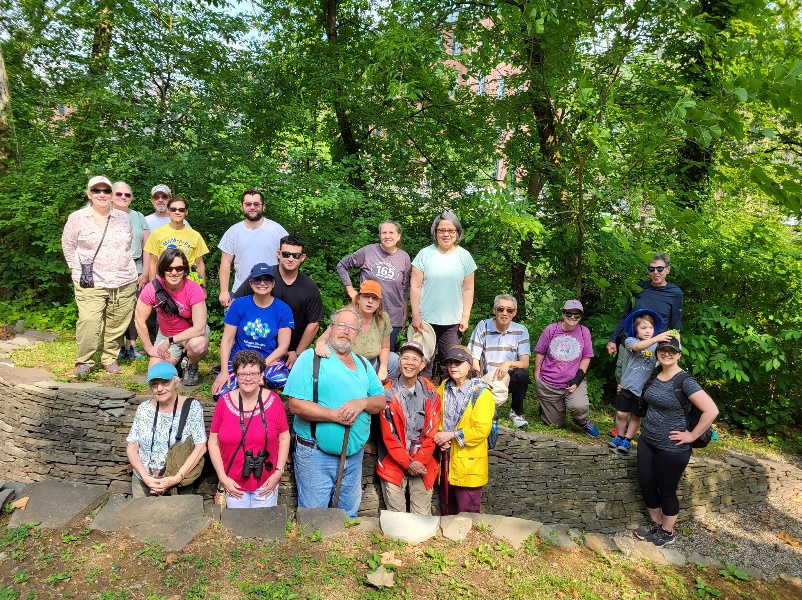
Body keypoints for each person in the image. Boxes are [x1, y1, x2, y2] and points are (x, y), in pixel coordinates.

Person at [285, 307, 385, 518]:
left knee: (348, 517)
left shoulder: (364, 364)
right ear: (330, 329)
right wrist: (334, 416)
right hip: (315, 455)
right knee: (314, 519)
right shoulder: (311, 359)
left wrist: (362, 403)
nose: (346, 331)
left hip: (353, 456)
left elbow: (380, 400)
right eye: (341, 325)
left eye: (352, 328)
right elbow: (295, 405)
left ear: (357, 334)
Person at [634, 336, 718, 547]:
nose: (667, 353)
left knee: (667, 489)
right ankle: (655, 524)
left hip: (672, 448)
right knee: (647, 484)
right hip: (648, 440)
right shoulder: (655, 374)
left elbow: (711, 410)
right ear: (657, 354)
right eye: (662, 350)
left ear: (679, 355)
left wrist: (691, 435)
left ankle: (667, 530)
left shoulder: (684, 382)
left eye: (672, 351)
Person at [61, 176, 138, 377]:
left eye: (106, 191)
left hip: (124, 279)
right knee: (89, 320)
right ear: (89, 194)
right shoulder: (77, 217)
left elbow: (126, 244)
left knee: (117, 321)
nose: (102, 194)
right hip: (91, 280)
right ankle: (84, 361)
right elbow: (68, 246)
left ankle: (109, 358)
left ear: (112, 195)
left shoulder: (122, 217)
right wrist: (76, 270)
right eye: (96, 190)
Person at [209, 350, 291, 508]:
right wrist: (222, 477)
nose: (248, 378)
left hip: (267, 481)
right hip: (233, 483)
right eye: (242, 374)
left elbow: (284, 437)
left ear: (261, 376)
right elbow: (213, 442)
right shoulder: (223, 403)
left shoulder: (274, 401)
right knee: (236, 530)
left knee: (264, 527)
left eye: (253, 373)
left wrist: (278, 472)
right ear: (236, 376)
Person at [233, 235, 323, 369]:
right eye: (286, 254)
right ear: (278, 254)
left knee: (283, 383)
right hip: (254, 346)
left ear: (302, 257)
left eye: (295, 255)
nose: (290, 259)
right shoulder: (262, 278)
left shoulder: (310, 287)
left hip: (288, 351)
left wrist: (298, 352)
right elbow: (237, 305)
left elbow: (314, 323)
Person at [376, 341, 441, 514]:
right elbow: (389, 436)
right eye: (405, 358)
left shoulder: (431, 393)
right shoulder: (387, 393)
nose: (409, 363)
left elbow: (432, 431)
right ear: (399, 362)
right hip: (393, 462)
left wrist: (418, 461)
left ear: (422, 365)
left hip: (423, 462)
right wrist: (407, 462)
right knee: (397, 519)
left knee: (421, 517)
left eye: (414, 359)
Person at [410, 211, 476, 379]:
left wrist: (465, 316)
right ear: (435, 232)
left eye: (451, 230)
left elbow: (468, 289)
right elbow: (415, 286)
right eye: (442, 230)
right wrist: (415, 315)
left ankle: (447, 403)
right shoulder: (425, 254)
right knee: (423, 364)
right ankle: (424, 402)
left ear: (457, 233)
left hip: (453, 322)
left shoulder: (464, 257)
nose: (446, 234)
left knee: (451, 367)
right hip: (425, 321)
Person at [126, 362, 207, 497]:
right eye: (154, 384)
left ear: (175, 383)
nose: (159, 388)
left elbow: (201, 447)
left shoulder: (192, 407)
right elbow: (132, 447)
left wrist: (177, 478)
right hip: (144, 480)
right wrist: (146, 477)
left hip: (178, 480)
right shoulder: (144, 409)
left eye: (165, 382)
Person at [212, 264, 294, 396]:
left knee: (282, 380)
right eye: (257, 279)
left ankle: (258, 383)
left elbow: (283, 347)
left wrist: (259, 367)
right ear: (250, 283)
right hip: (239, 360)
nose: (262, 283)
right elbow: (227, 340)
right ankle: (251, 384)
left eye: (267, 279)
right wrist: (224, 371)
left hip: (268, 359)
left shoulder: (283, 309)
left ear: (273, 283)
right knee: (220, 393)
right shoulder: (238, 304)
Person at [135, 248, 210, 386]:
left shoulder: (194, 289)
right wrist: (150, 349)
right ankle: (176, 361)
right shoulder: (152, 288)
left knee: (197, 346)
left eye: (179, 268)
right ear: (162, 269)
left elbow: (199, 328)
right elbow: (139, 320)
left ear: (184, 269)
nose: (174, 272)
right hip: (166, 334)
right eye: (169, 269)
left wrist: (169, 341)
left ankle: (191, 364)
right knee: (157, 375)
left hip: (191, 334)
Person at [434, 345, 495, 515]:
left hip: (469, 463)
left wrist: (451, 435)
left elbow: (481, 429)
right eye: (450, 363)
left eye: (458, 362)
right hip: (446, 459)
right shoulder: (444, 386)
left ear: (469, 365)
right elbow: (436, 414)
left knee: (468, 512)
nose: (453, 366)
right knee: (447, 509)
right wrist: (440, 436)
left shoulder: (481, 392)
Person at [606, 253, 683, 382]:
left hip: (653, 349)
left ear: (668, 269)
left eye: (660, 268)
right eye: (651, 269)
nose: (655, 272)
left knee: (648, 385)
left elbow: (675, 327)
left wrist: (673, 350)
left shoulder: (675, 294)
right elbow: (626, 316)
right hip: (629, 345)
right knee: (623, 382)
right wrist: (613, 339)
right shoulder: (639, 288)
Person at [337, 220, 411, 350]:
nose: (387, 236)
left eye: (391, 232)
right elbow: (342, 265)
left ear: (398, 236)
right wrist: (351, 291)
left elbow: (404, 288)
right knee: (358, 352)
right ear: (380, 235)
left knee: (386, 353)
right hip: (366, 314)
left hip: (393, 316)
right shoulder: (369, 251)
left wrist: (404, 312)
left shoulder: (404, 257)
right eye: (384, 233)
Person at [609, 309, 673, 453]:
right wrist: (657, 338)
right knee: (621, 414)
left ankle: (627, 440)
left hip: (643, 390)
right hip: (626, 386)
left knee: (636, 416)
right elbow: (638, 347)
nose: (647, 331)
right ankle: (619, 435)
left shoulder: (658, 345)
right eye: (643, 328)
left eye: (650, 327)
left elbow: (669, 354)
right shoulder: (631, 341)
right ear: (636, 330)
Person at [534, 300, 600, 437]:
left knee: (579, 407)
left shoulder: (584, 332)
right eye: (569, 313)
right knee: (556, 424)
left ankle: (582, 422)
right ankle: (545, 406)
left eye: (577, 315)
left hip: (573, 381)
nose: (573, 318)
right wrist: (537, 376)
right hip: (549, 382)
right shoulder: (551, 330)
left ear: (581, 317)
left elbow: (587, 357)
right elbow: (540, 352)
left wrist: (578, 379)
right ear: (563, 314)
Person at [314, 281, 400, 382]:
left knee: (395, 360)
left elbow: (385, 346)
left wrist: (383, 368)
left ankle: (385, 391)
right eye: (366, 296)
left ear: (379, 303)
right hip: (347, 362)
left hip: (372, 362)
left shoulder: (383, 318)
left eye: (374, 298)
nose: (370, 301)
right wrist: (320, 344)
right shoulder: (347, 314)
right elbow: (324, 338)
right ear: (358, 299)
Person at [218, 188, 289, 308]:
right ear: (242, 206)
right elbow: (225, 262)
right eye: (248, 204)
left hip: (270, 289)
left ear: (263, 206)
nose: (252, 207)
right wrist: (224, 291)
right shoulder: (233, 232)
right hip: (241, 290)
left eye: (256, 204)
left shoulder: (277, 230)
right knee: (236, 325)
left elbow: (289, 259)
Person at [468, 294, 531, 428]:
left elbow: (525, 363)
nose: (504, 313)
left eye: (509, 310)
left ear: (514, 313)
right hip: (486, 375)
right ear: (494, 310)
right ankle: (485, 408)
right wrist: (477, 379)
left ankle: (516, 413)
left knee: (522, 375)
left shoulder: (521, 330)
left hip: (509, 376)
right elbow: (474, 357)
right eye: (500, 309)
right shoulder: (483, 326)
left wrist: (507, 363)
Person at [112, 181, 150, 360]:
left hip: (136, 266)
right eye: (119, 194)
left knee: (135, 307)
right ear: (112, 195)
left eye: (127, 195)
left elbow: (147, 247)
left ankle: (131, 346)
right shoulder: (106, 215)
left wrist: (145, 272)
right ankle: (116, 346)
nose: (123, 198)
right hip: (112, 268)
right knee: (115, 306)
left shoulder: (138, 216)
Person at [144, 197, 209, 293]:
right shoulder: (157, 233)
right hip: (166, 283)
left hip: (189, 283)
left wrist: (203, 287)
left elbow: (199, 263)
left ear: (186, 212)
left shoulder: (195, 235)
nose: (177, 212)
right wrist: (154, 288)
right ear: (168, 211)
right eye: (173, 209)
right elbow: (153, 263)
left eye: (181, 210)